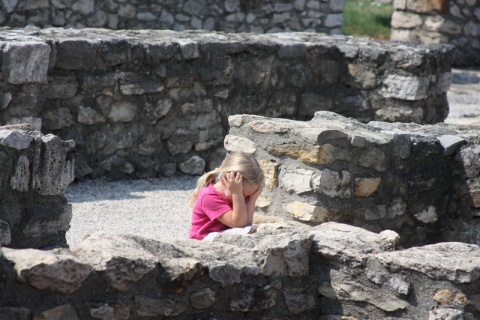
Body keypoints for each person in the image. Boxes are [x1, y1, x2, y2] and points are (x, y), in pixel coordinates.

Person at [188, 151, 264, 240]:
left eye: (247, 196)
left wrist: (252, 199)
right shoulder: (209, 196)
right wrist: (237, 193)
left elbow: (246, 224)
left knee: (252, 232)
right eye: (243, 193)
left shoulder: (238, 193)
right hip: (203, 239)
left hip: (220, 235)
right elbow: (239, 225)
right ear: (227, 180)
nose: (243, 198)